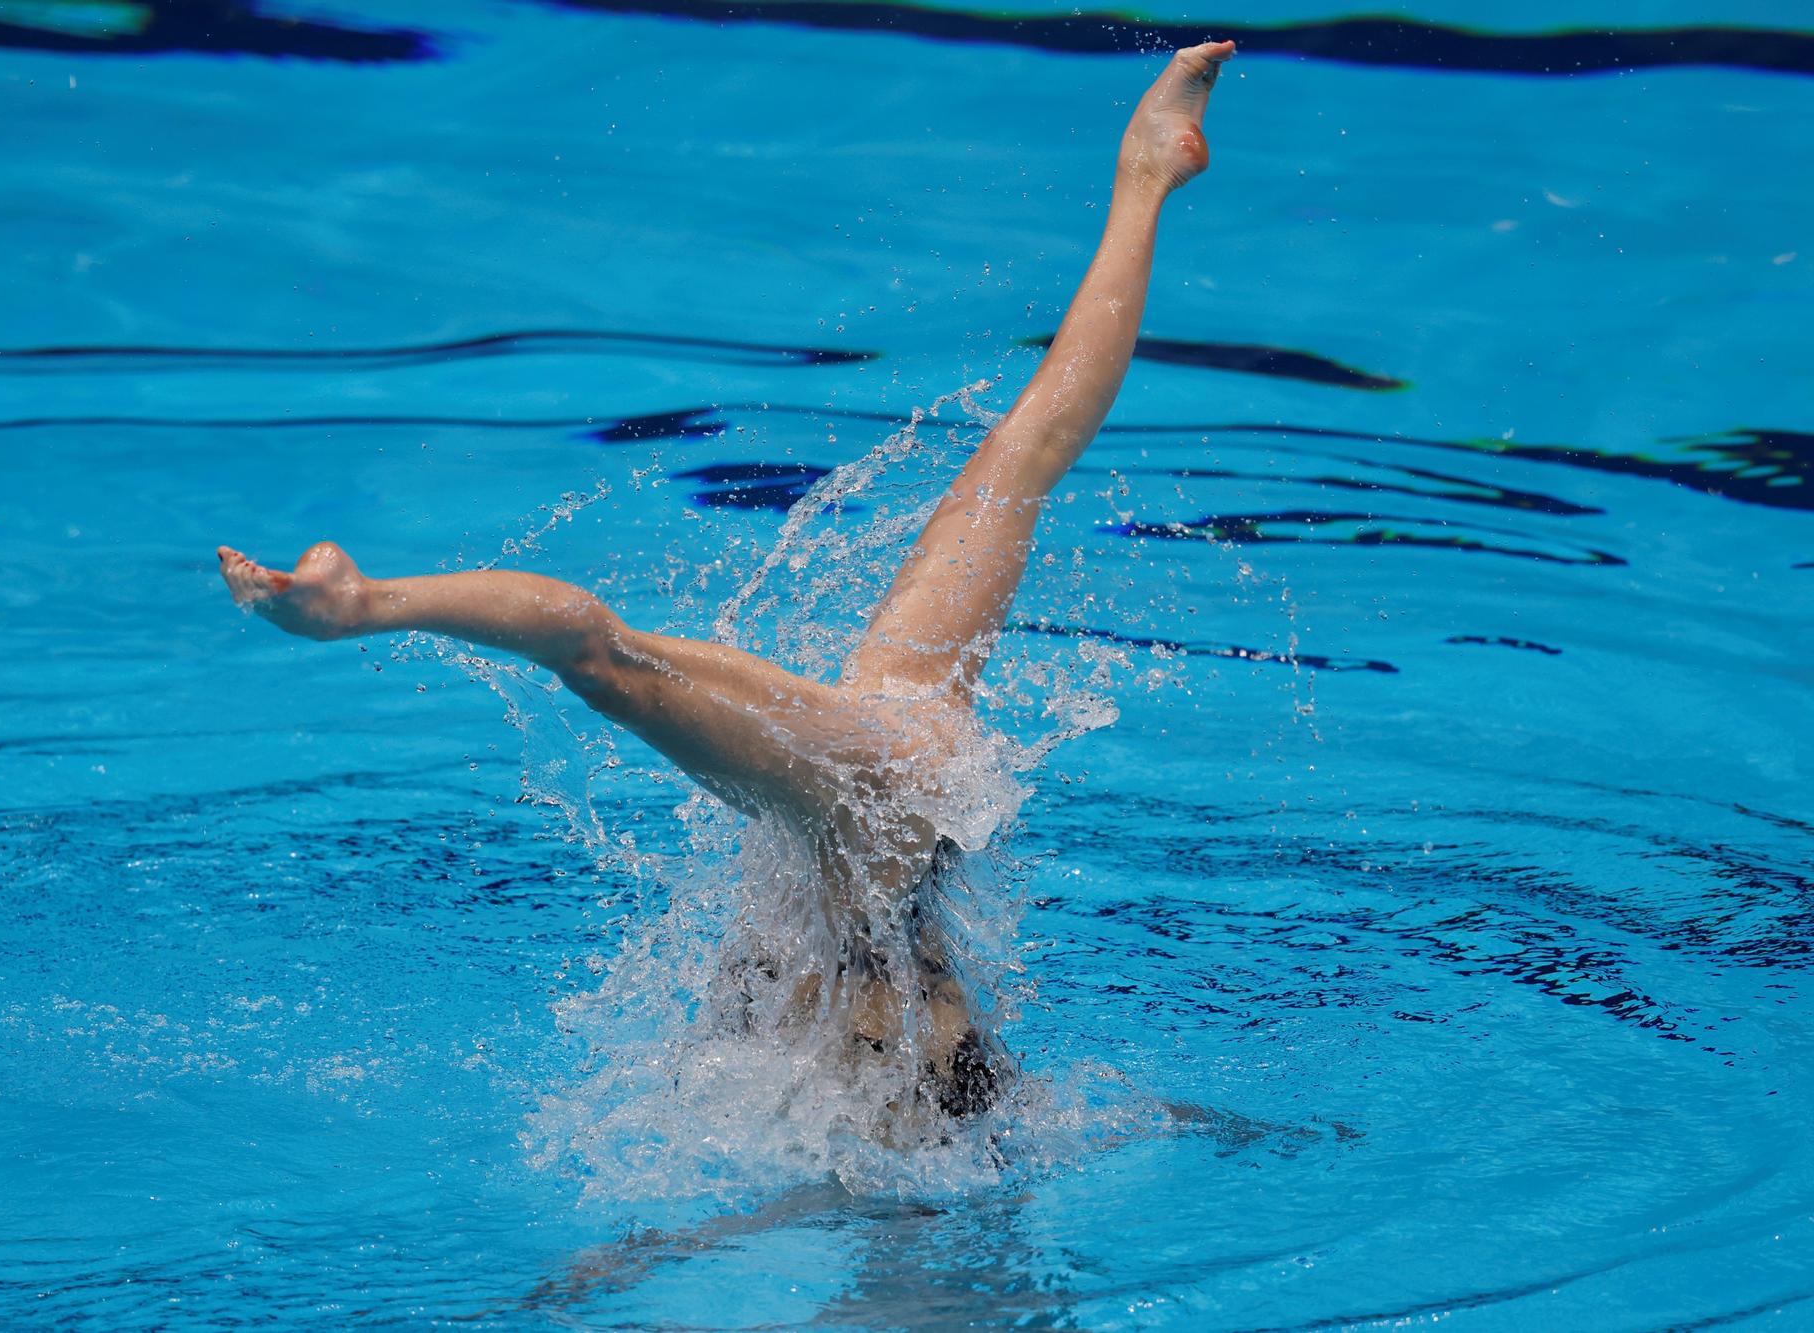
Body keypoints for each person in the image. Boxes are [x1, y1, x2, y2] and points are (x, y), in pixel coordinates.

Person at [219, 40, 1235, 1122]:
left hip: (910, 738)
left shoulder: (833, 983)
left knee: (1025, 449)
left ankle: (1144, 177)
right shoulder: (858, 881)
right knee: (610, 656)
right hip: (885, 773)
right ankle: (360, 605)